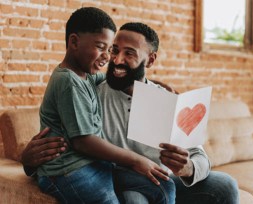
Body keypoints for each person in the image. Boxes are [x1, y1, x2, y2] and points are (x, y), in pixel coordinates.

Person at [22, 22, 239, 203]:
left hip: (161, 178)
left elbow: (200, 157)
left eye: (129, 54)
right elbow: (67, 144)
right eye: (115, 50)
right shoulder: (92, 93)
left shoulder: (167, 101)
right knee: (135, 198)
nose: (116, 60)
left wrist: (188, 168)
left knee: (226, 186)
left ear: (151, 60)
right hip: (117, 179)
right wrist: (29, 162)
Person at [35, 7, 175, 204]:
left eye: (109, 49)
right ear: (74, 42)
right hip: (68, 171)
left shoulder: (86, 77)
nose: (108, 57)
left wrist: (155, 84)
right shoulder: (68, 82)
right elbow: (83, 141)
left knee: (164, 185)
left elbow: (119, 76)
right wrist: (136, 160)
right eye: (101, 47)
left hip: (92, 165)